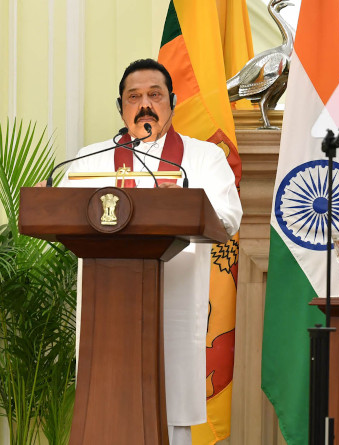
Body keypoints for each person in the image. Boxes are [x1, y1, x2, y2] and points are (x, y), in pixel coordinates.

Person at [58, 58, 242, 445]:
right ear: (121, 107)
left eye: (155, 95)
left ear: (172, 101)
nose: (145, 104)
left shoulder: (204, 158)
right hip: (105, 305)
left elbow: (228, 219)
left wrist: (187, 205)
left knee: (167, 405)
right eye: (134, 97)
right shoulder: (88, 159)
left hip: (174, 301)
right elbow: (59, 212)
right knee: (104, 405)